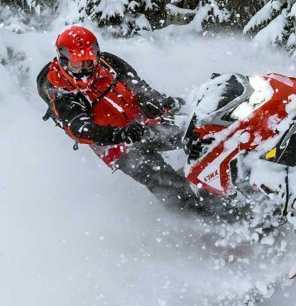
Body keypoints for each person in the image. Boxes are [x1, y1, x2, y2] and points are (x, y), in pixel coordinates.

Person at [37, 26, 242, 219]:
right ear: (64, 61)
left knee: (204, 135)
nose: (84, 69)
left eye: (89, 62)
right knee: (166, 182)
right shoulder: (62, 92)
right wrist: (120, 135)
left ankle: (228, 187)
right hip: (118, 148)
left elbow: (138, 87)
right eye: (77, 64)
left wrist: (161, 103)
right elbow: (80, 129)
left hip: (146, 125)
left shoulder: (109, 64)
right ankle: (197, 223)